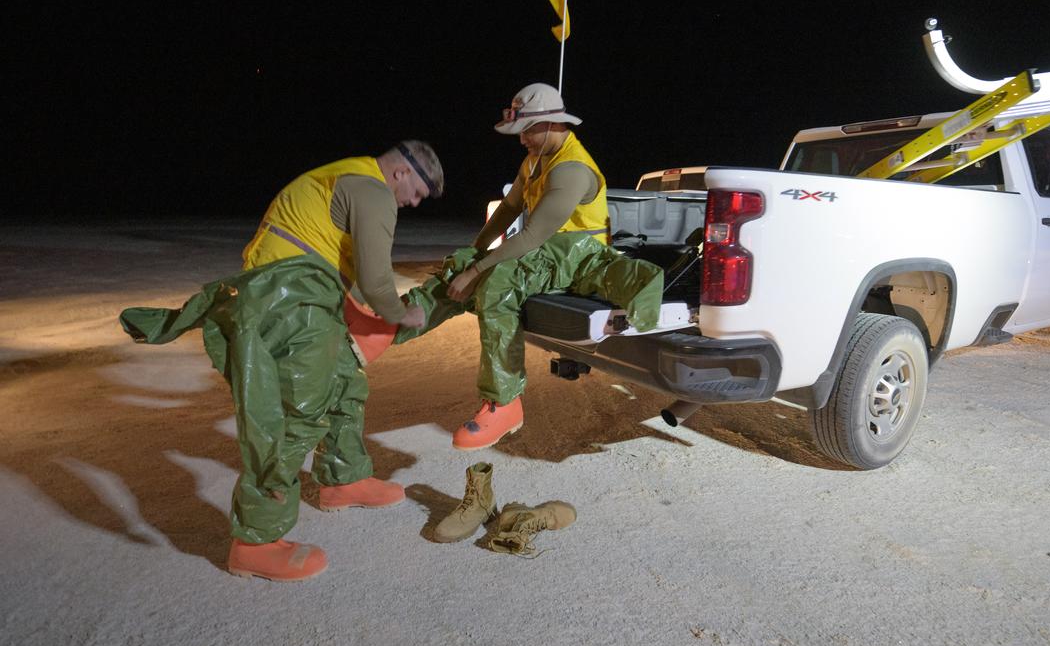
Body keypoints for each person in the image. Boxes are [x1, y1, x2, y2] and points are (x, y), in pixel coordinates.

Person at [119, 141, 444, 581]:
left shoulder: (343, 174)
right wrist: (402, 313)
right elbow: (375, 276)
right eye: (419, 193)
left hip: (292, 293)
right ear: (403, 173)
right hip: (291, 301)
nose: (414, 203)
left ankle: (342, 478)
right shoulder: (374, 191)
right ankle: (256, 541)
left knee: (345, 381)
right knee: (298, 413)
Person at [395, 83, 664, 450]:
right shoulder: (534, 160)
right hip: (548, 251)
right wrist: (472, 255)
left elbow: (535, 233)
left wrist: (478, 273)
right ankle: (387, 328)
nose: (520, 138)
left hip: (578, 256)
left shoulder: (571, 169)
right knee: (460, 265)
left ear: (551, 124)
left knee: (497, 284)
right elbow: (508, 210)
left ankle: (504, 404)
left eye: (526, 130)